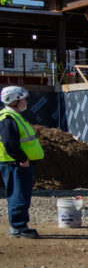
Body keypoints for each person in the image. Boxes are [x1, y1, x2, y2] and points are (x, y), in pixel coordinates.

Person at [0, 86, 43, 238]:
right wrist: (22, 159)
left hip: (17, 163)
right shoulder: (8, 118)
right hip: (15, 164)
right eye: (22, 99)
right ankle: (18, 227)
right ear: (14, 101)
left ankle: (19, 225)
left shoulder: (14, 116)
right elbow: (9, 143)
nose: (25, 101)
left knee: (21, 194)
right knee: (18, 195)